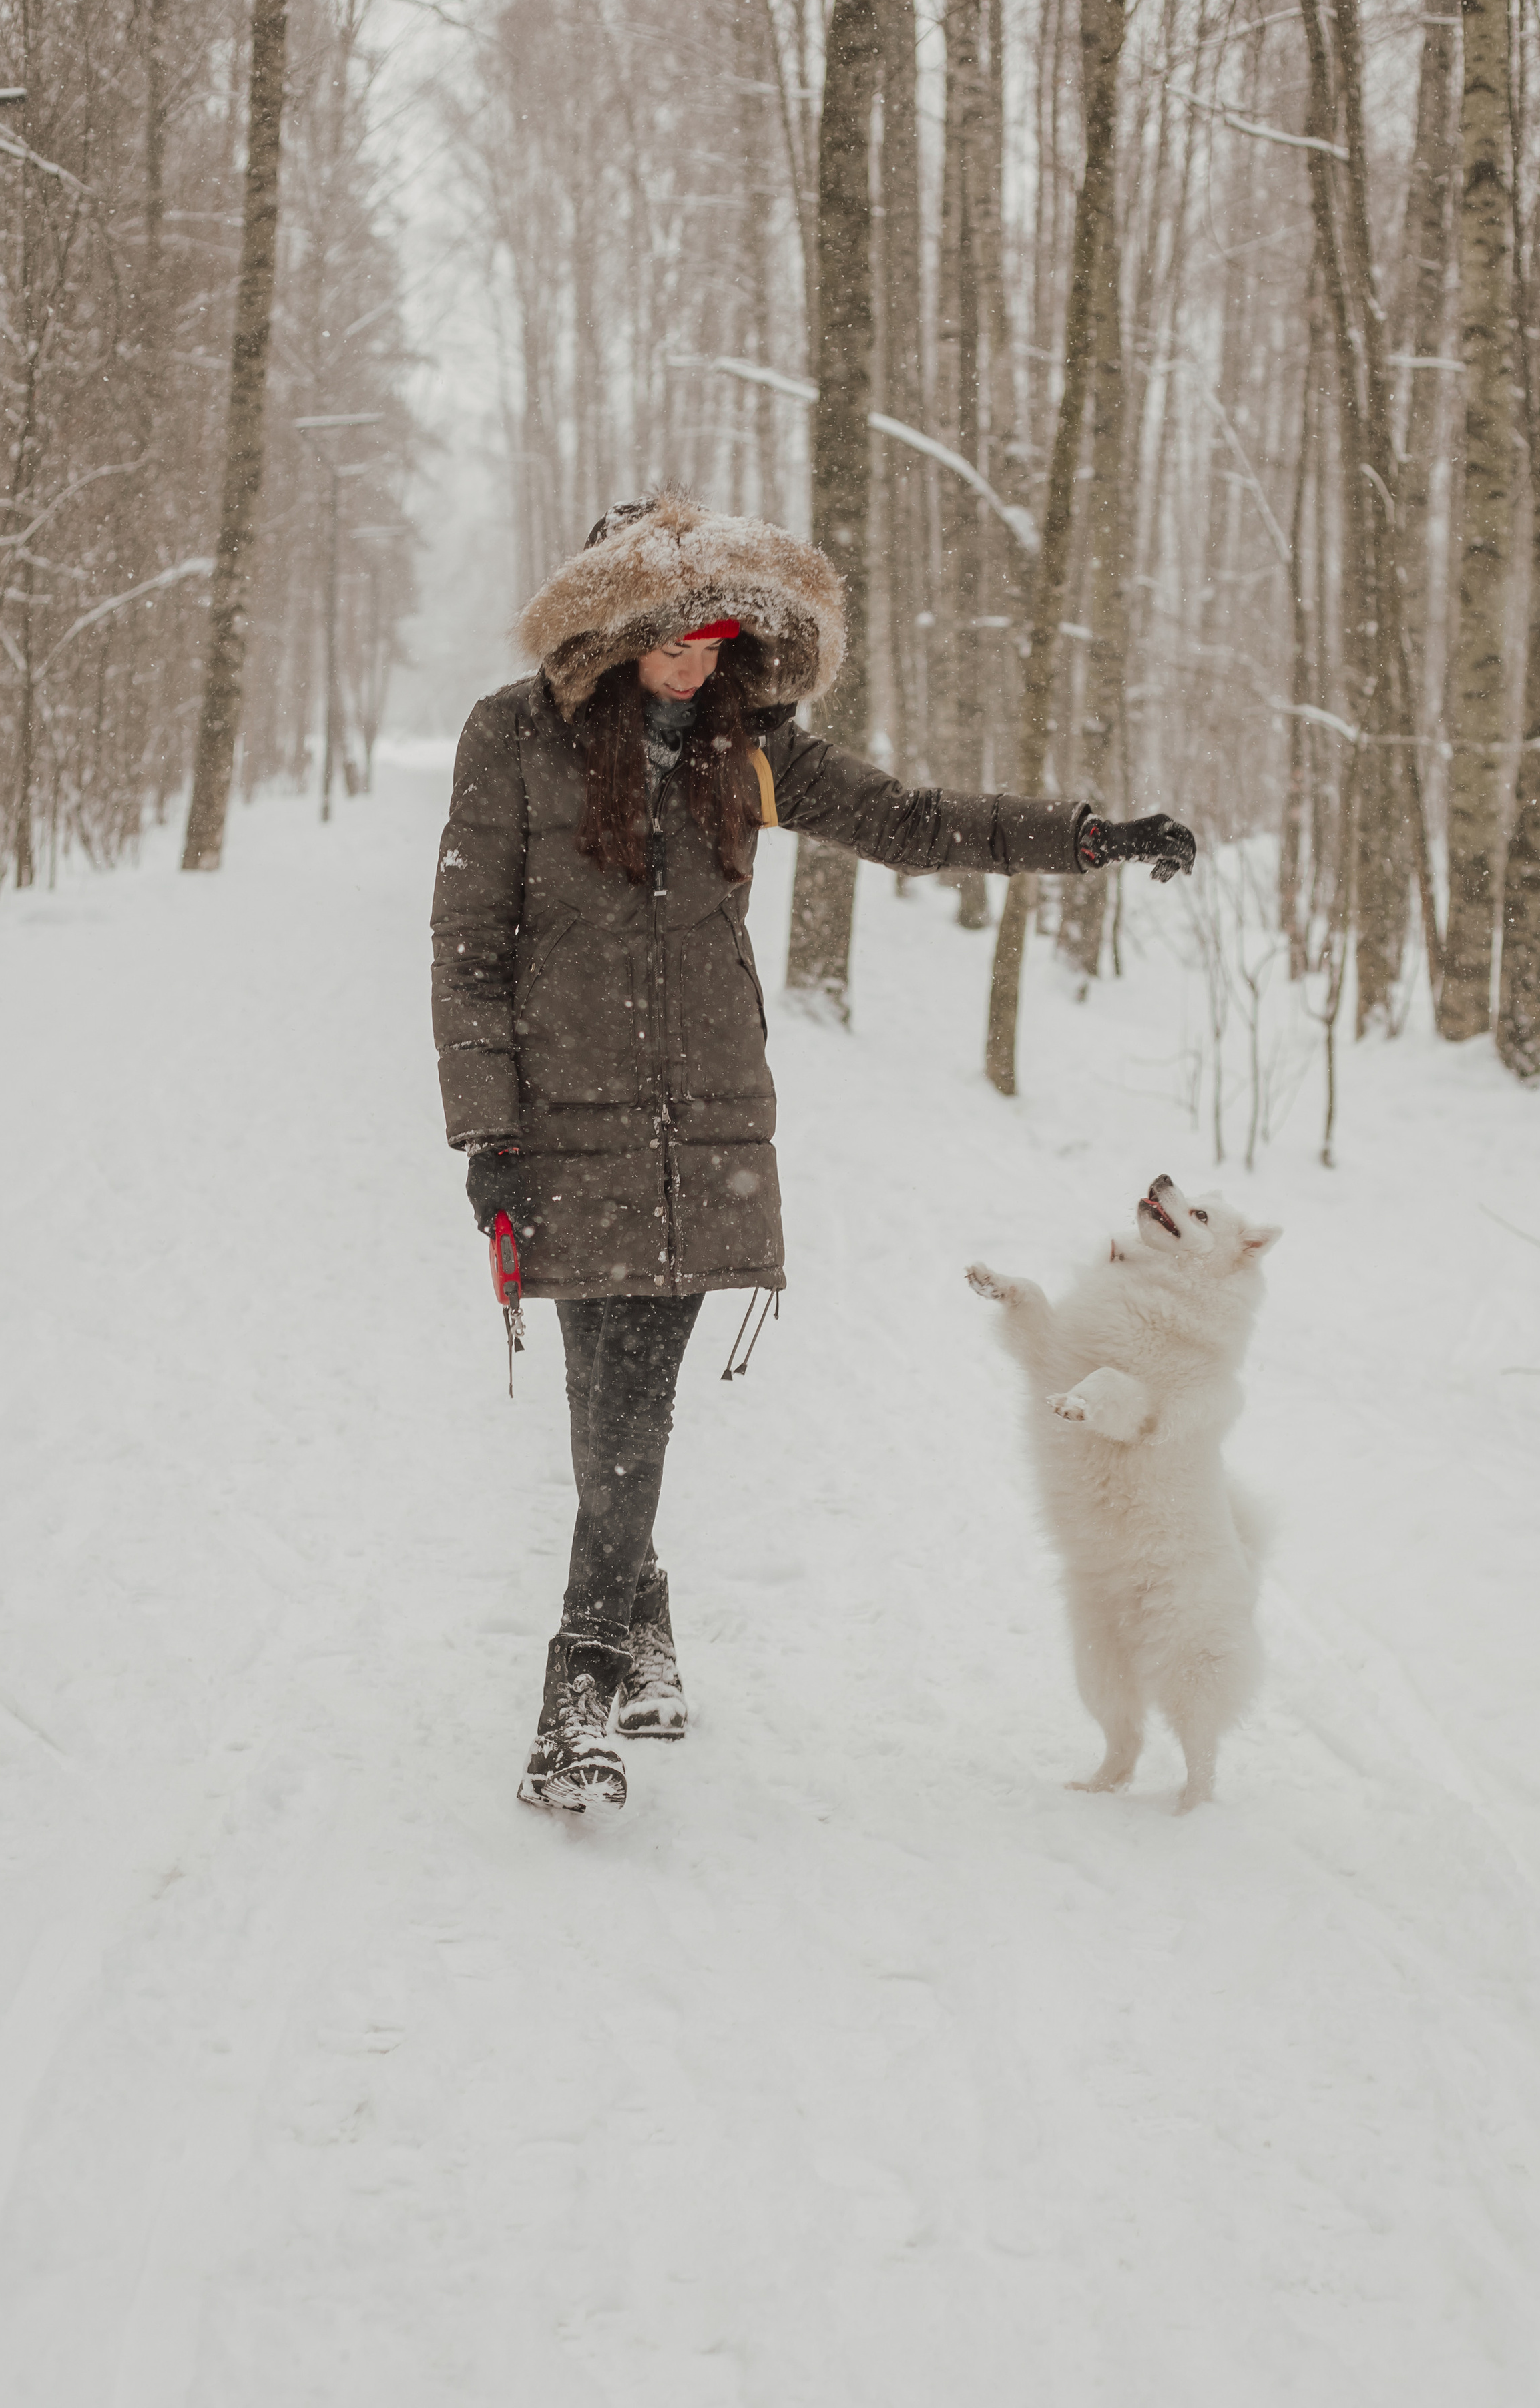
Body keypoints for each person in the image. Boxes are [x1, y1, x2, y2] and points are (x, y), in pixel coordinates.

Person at [430, 491, 1196, 1815]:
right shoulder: (511, 738)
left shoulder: (752, 749)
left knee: (635, 1403)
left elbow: (915, 823)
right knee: (597, 1401)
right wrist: (486, 1128)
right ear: (610, 631)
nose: (693, 662)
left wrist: (1087, 839)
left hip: (701, 1122)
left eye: (716, 639)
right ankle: (647, 1631)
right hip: (560, 1112)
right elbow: (467, 943)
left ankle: (579, 1687)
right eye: (669, 639)